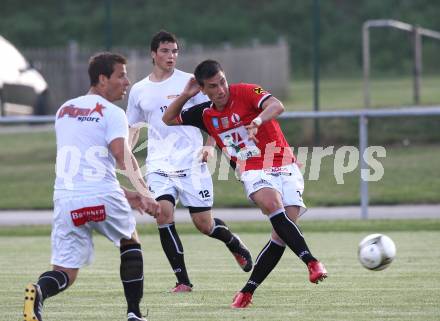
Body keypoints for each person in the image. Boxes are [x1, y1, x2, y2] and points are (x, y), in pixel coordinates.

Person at [162, 59, 328, 308]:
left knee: (281, 234)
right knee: (272, 204)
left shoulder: (247, 91)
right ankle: (312, 262)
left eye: (222, 82)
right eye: (213, 86)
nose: (221, 89)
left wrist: (258, 121)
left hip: (283, 162)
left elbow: (276, 105)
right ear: (203, 89)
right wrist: (186, 94)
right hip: (251, 167)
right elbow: (168, 118)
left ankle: (247, 292)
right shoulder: (204, 113)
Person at [23, 52, 160, 321]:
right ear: (102, 79)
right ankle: (134, 312)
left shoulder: (63, 110)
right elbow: (123, 157)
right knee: (129, 240)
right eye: (121, 75)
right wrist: (146, 193)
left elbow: (84, 171)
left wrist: (126, 194)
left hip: (66, 200)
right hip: (103, 196)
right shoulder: (113, 112)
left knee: (65, 272)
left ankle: (39, 292)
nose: (127, 81)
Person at [126, 30, 252, 293]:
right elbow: (134, 126)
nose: (170, 56)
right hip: (160, 164)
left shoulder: (192, 83)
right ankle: (182, 280)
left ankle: (233, 243)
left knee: (204, 225)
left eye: (174, 51)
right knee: (163, 213)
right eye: (164, 51)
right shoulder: (139, 90)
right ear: (153, 54)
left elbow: (216, 115)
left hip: (192, 163)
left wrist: (209, 146)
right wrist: (125, 149)